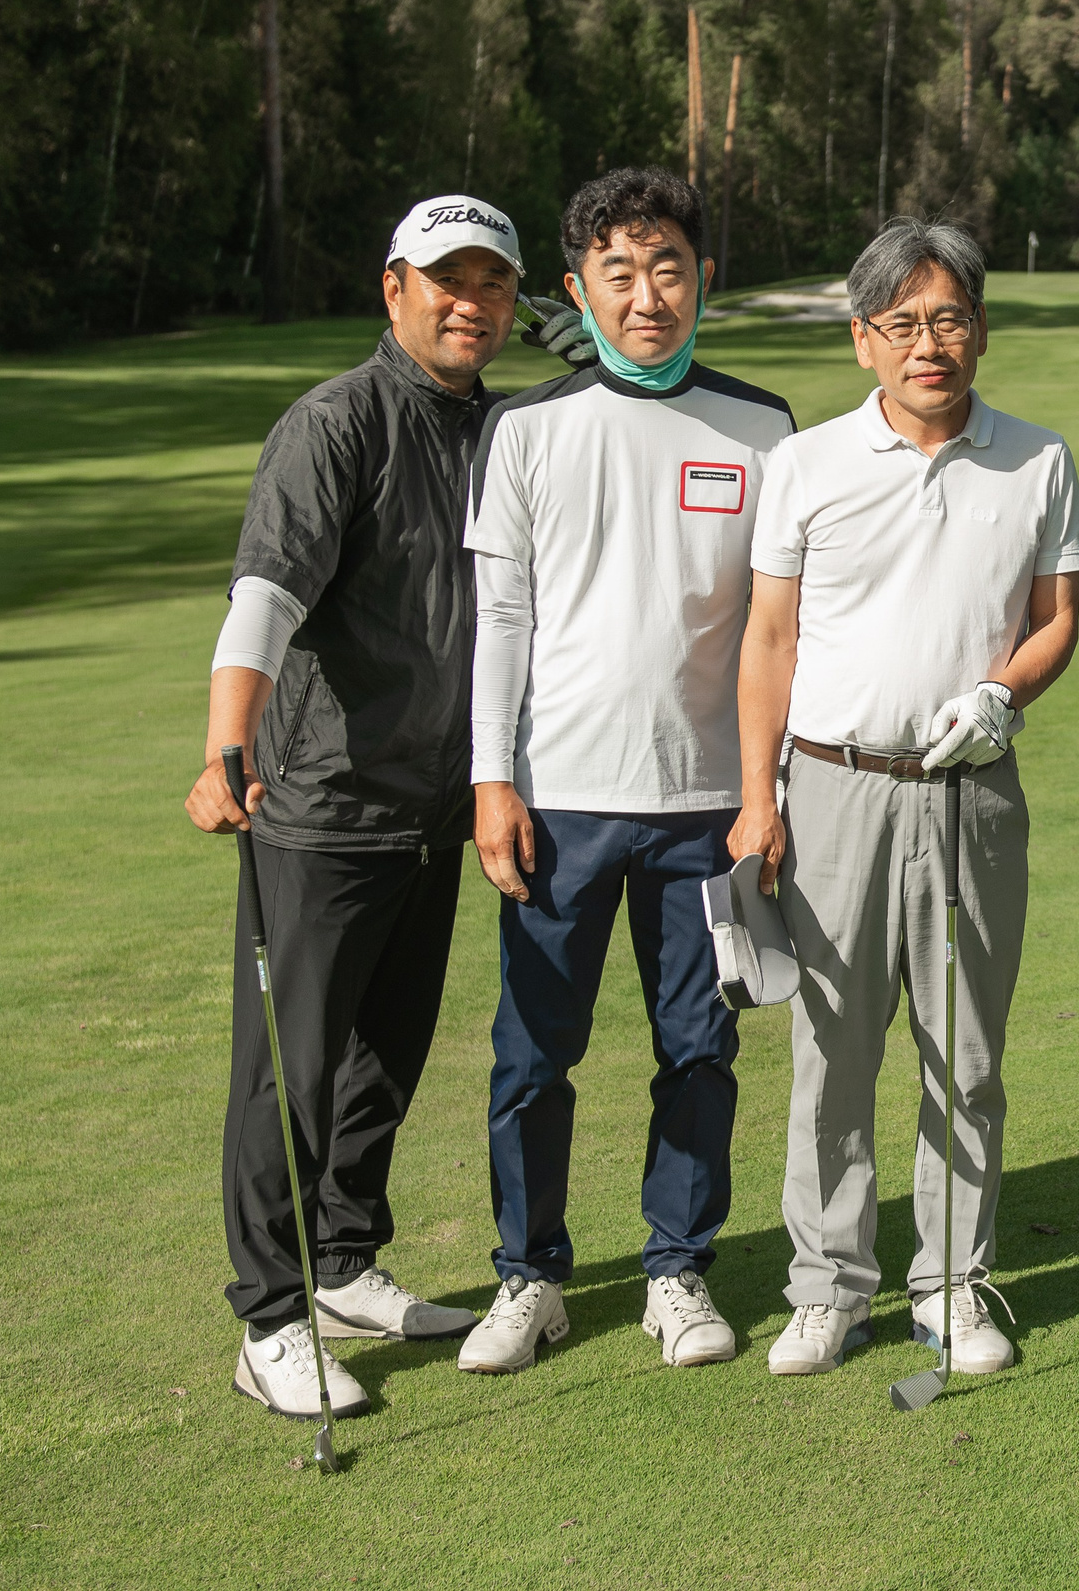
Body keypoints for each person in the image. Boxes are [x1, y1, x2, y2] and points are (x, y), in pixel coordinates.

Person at [186, 195, 559, 1424]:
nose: (472, 303)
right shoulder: (334, 423)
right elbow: (265, 594)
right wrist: (224, 741)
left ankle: (344, 1265)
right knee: (287, 1074)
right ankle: (269, 1313)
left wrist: (572, 332)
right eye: (445, 280)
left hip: (432, 805)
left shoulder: (504, 424)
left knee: (379, 1063)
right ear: (391, 288)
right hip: (319, 806)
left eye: (493, 285)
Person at [731, 219, 1079, 1378]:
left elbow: (1055, 620)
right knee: (833, 1050)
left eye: (948, 318)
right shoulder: (807, 464)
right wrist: (757, 798)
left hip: (969, 795)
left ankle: (952, 1280)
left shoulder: (1038, 460)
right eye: (901, 324)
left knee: (964, 1049)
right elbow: (769, 639)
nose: (927, 343)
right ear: (862, 341)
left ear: (978, 330)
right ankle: (827, 1286)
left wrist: (1001, 691)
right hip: (832, 788)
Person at [458, 167, 795, 1375]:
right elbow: (501, 617)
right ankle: (529, 1275)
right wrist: (491, 782)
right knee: (532, 1056)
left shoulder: (763, 428)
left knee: (698, 1048)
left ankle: (677, 1267)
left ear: (703, 278)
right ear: (577, 289)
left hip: (710, 805)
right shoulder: (528, 428)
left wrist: (771, 791)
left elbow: (778, 627)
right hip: (557, 800)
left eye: (668, 268)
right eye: (618, 272)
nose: (646, 295)